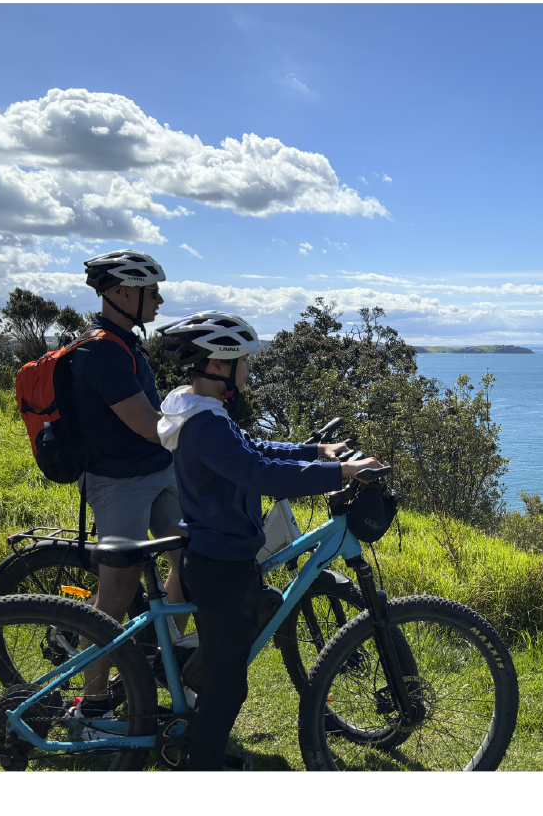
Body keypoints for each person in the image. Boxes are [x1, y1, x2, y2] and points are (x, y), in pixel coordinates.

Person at [156, 311, 383, 771]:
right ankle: (204, 769)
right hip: (221, 564)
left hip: (216, 555)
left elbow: (255, 449)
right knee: (227, 682)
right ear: (219, 364)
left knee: (228, 660)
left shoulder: (201, 413)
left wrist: (314, 452)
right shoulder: (206, 423)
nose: (248, 367)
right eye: (242, 359)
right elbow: (257, 472)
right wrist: (340, 471)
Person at [69, 249, 188, 724]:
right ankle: (92, 702)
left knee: (192, 560)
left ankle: (170, 663)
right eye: (151, 290)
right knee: (116, 592)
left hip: (159, 473)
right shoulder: (100, 350)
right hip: (119, 482)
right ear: (120, 292)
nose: (159, 298)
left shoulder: (126, 344)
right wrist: (207, 436)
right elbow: (146, 423)